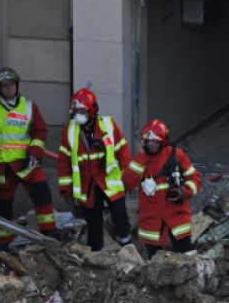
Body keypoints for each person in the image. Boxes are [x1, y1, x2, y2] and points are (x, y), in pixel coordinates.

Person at [0, 67, 57, 248]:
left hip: (26, 163)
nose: (9, 88)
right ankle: (5, 242)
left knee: (42, 193)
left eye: (12, 84)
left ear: (16, 85)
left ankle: (49, 232)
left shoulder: (29, 106)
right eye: (5, 86)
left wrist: (35, 154)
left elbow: (40, 131)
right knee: (2, 204)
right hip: (1, 165)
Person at [57, 88, 133, 251]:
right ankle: (96, 256)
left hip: (110, 181)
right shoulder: (70, 131)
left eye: (82, 111)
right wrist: (65, 188)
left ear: (92, 110)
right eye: (76, 111)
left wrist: (128, 179)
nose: (78, 114)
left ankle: (127, 248)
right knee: (94, 223)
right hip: (88, 185)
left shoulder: (108, 125)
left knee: (120, 216)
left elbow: (123, 152)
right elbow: (64, 160)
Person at [123, 119, 201, 257]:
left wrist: (183, 192)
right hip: (152, 221)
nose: (151, 145)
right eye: (148, 142)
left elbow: (195, 179)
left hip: (176, 218)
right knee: (155, 262)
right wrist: (141, 157)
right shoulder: (140, 160)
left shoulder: (176, 156)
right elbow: (127, 183)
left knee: (188, 255)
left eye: (155, 143)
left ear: (163, 142)